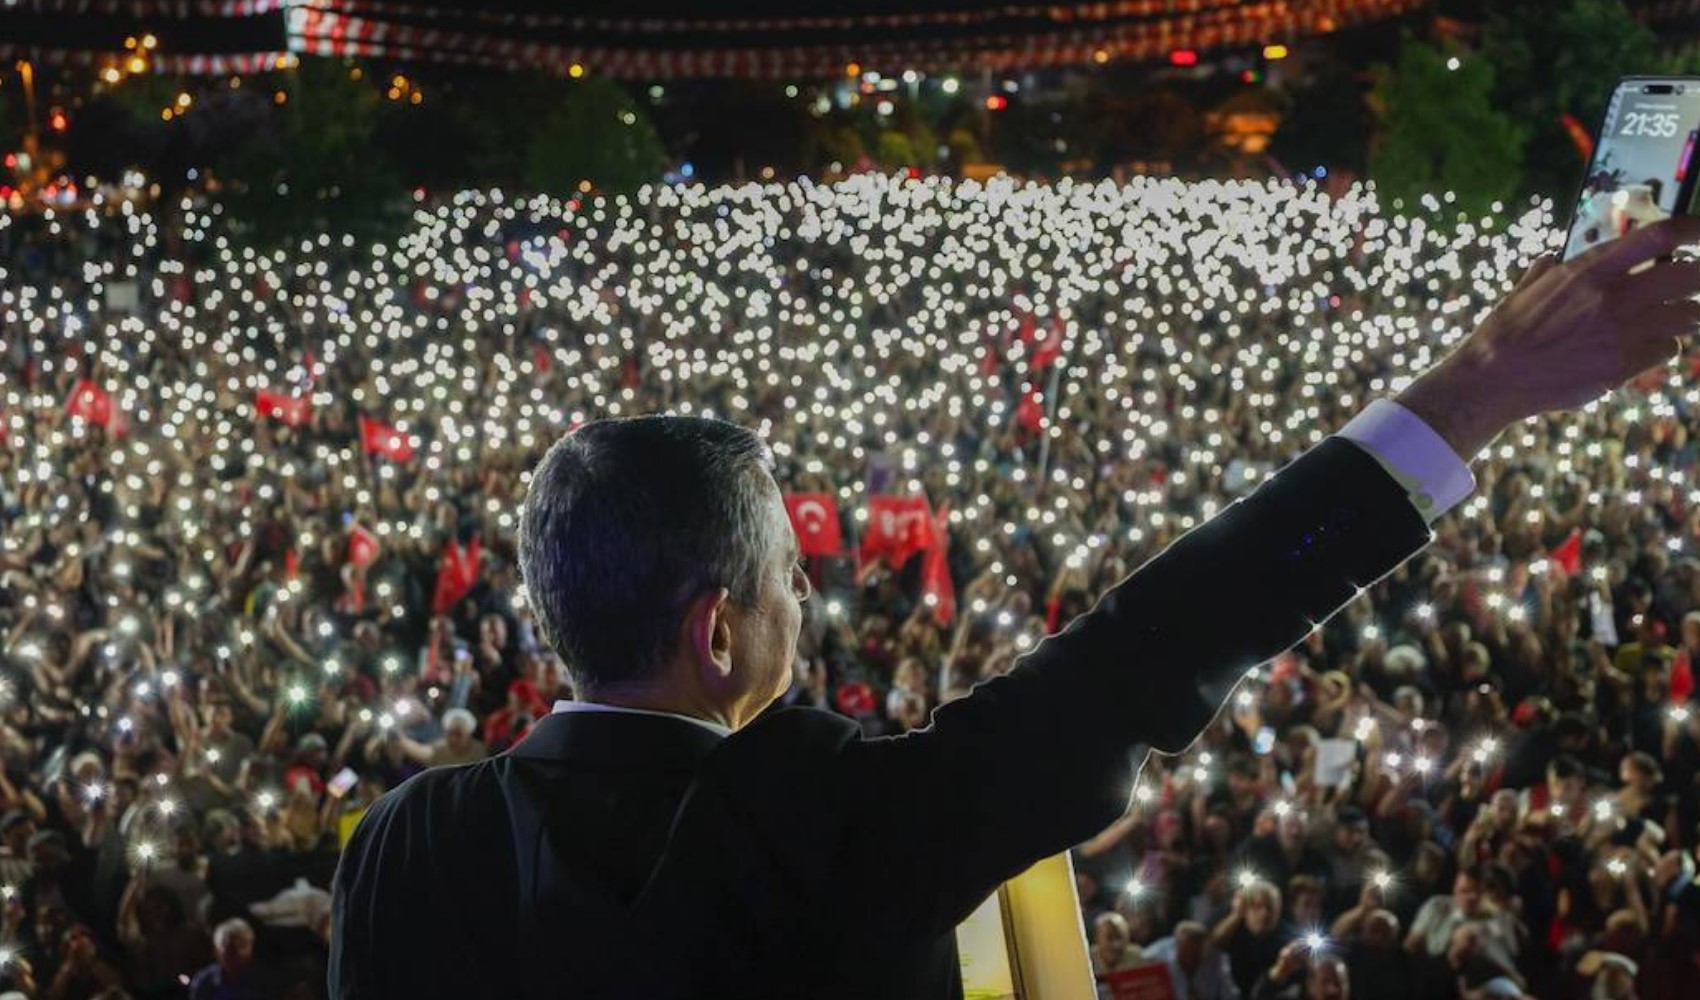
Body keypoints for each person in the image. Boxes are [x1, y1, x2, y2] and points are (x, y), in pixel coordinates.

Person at [329, 217, 1700, 998]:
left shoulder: (403, 847)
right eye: (789, 585)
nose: (810, 609)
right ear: (721, 634)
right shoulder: (828, 820)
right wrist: (1477, 389)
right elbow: (1151, 648)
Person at [1144, 921, 1241, 1000]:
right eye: (1185, 956)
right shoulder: (1155, 956)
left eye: (1195, 957)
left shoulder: (1217, 959)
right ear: (1175, 946)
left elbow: (1230, 995)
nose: (1189, 961)